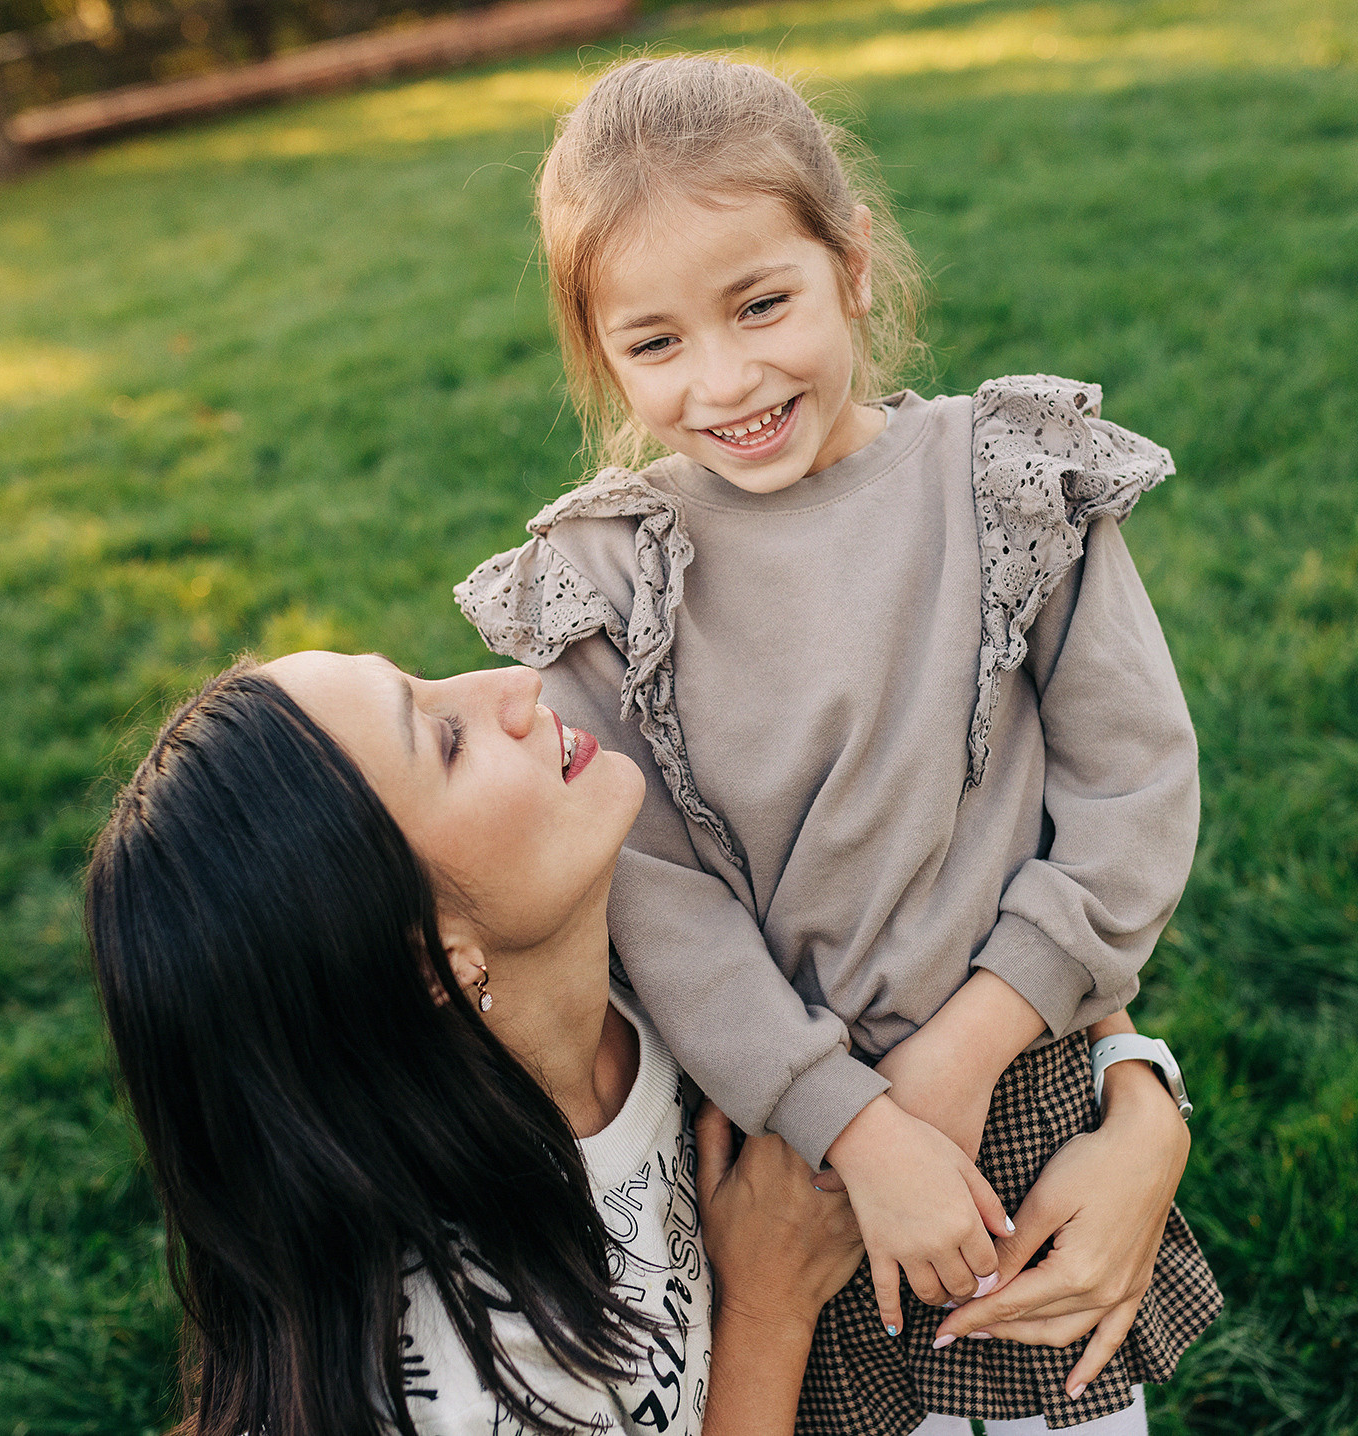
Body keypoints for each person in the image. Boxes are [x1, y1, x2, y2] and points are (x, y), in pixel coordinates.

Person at [456, 56, 1223, 1434]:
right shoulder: (610, 581)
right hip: (780, 1158)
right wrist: (853, 1122)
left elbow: (1136, 789)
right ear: (598, 349)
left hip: (1027, 1095)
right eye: (657, 342)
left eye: (763, 304)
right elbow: (654, 898)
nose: (728, 378)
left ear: (852, 266)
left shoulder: (1006, 485)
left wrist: (972, 1043)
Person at [84, 653, 869, 1436]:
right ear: (430, 960)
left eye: (421, 678)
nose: (518, 681)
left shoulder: (658, 959)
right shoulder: (466, 1381)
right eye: (447, 742)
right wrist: (769, 1310)